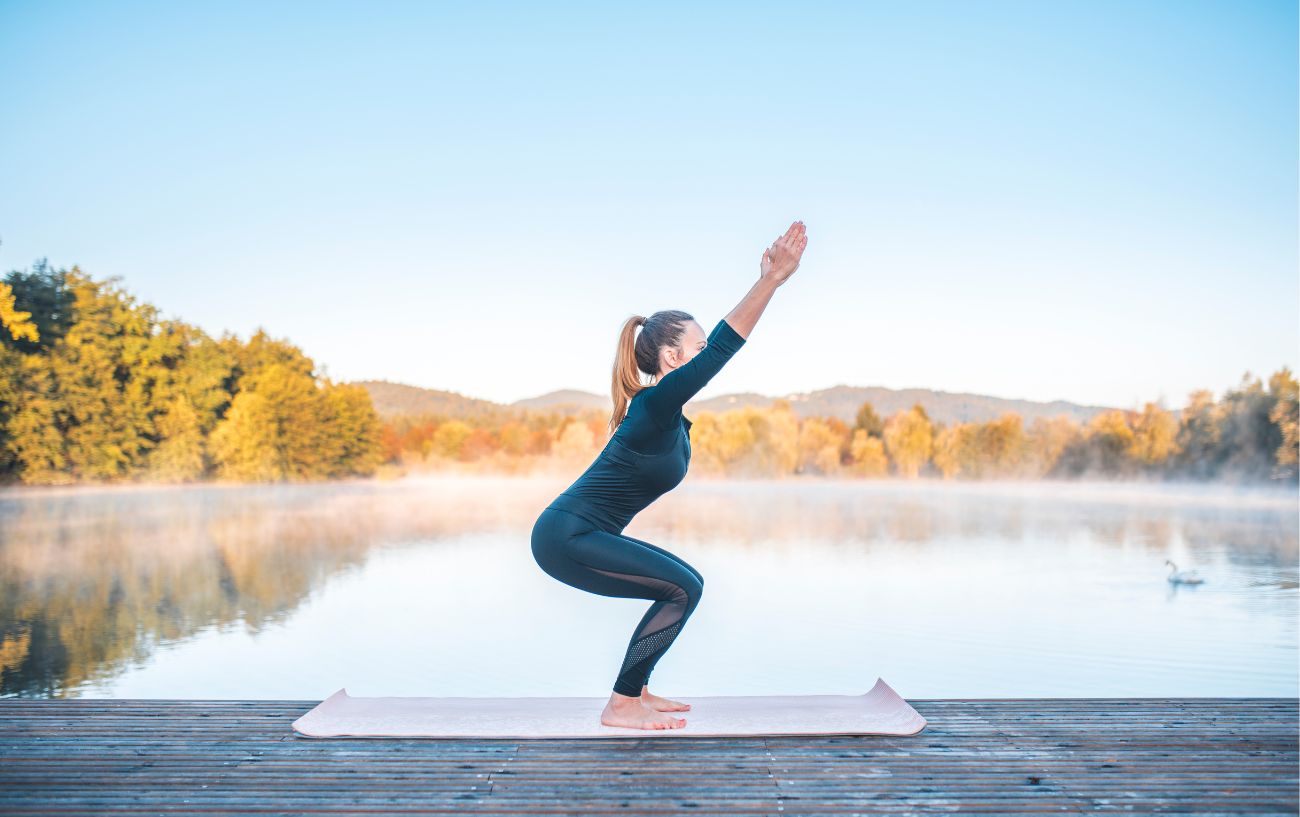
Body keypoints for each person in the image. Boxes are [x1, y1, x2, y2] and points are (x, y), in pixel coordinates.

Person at [531, 220, 809, 730]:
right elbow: (728, 344)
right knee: (681, 588)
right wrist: (771, 281)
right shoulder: (656, 402)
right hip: (564, 536)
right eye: (696, 348)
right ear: (671, 358)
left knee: (688, 584)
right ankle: (621, 704)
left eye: (702, 348)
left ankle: (633, 691)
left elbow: (716, 349)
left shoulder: (669, 416)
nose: (705, 356)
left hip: (576, 534)